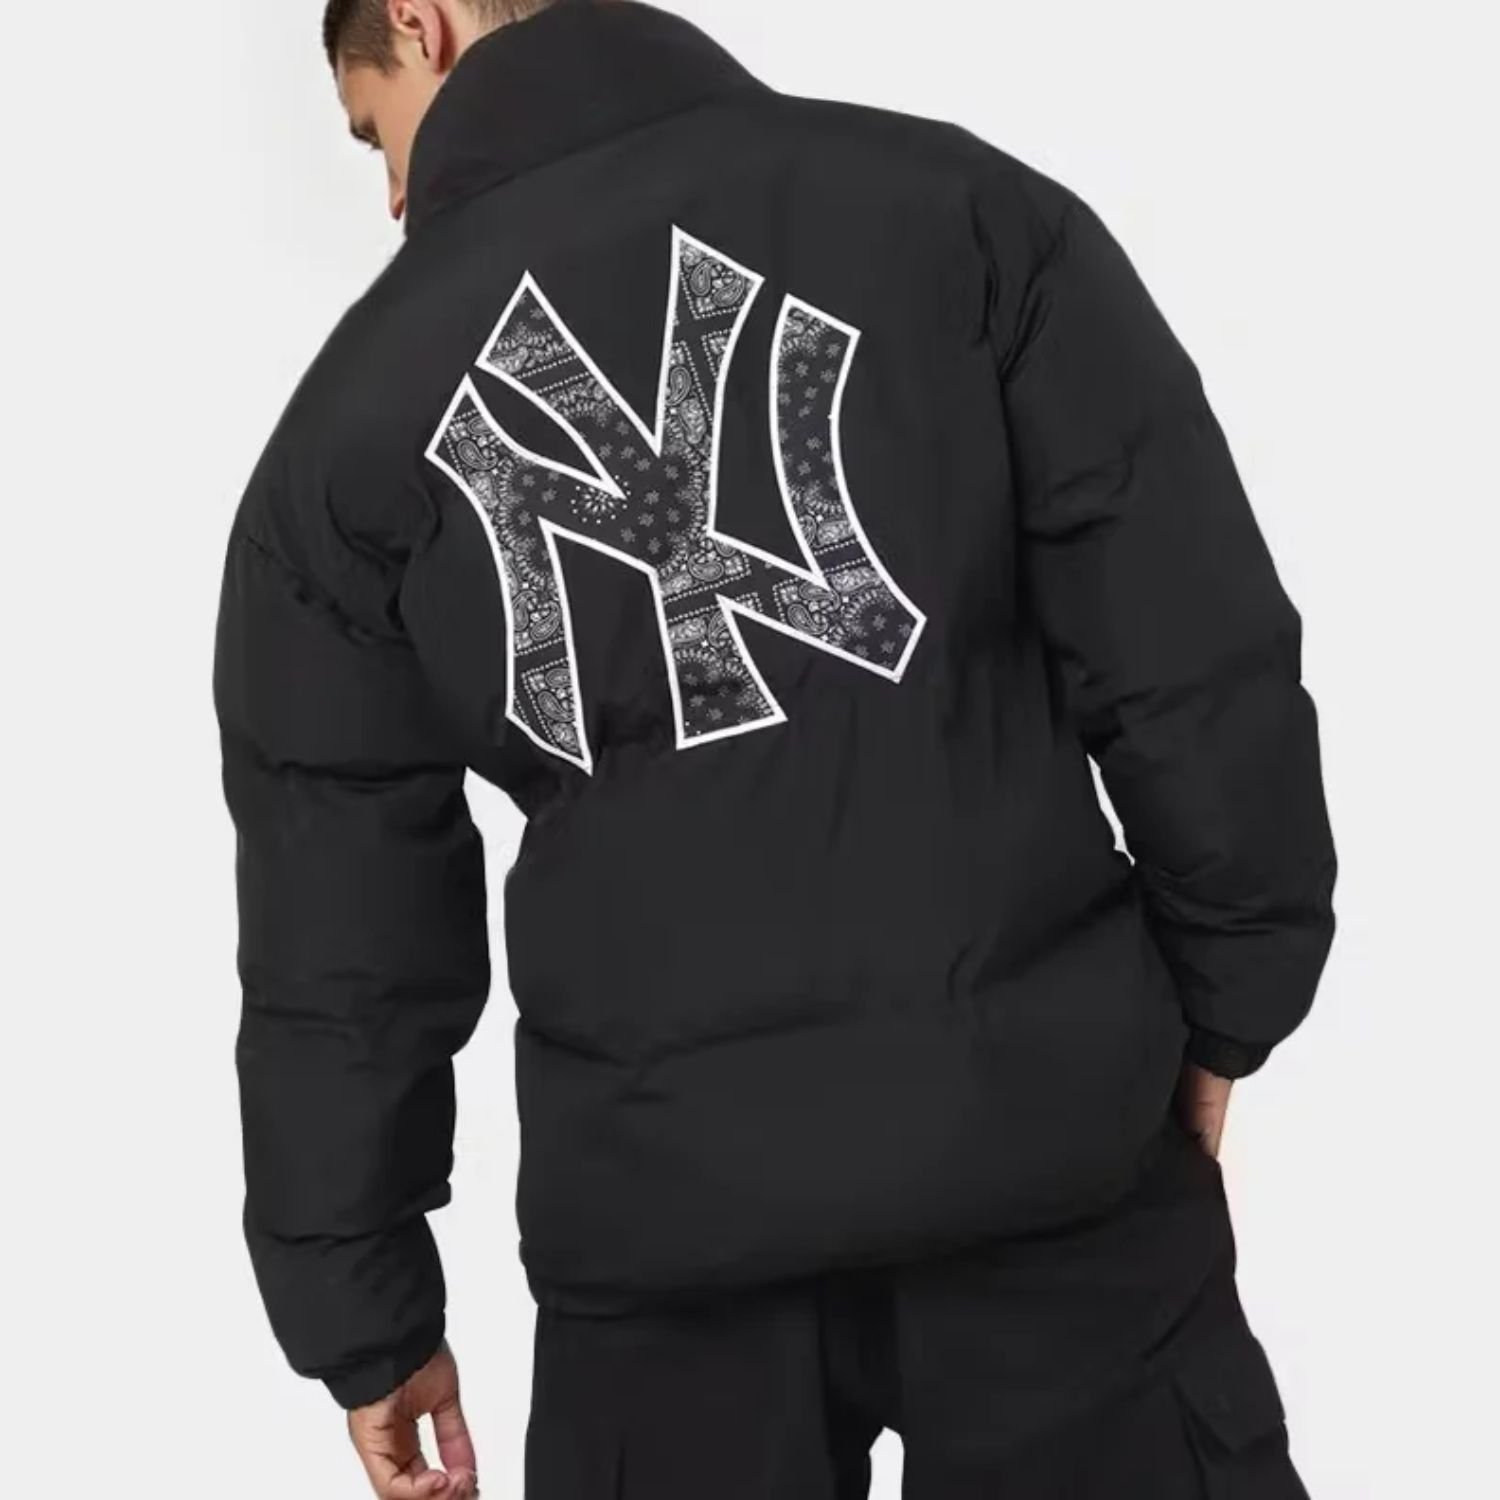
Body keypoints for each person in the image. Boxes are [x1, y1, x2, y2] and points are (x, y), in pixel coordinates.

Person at [212, 1, 1337, 1496]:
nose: (395, 194)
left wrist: (364, 1309)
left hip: (663, 1251)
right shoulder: (963, 215)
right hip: (1049, 1169)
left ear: (420, 23)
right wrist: (1228, 1004)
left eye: (375, 136)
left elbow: (338, 938)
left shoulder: (343, 434)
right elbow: (1196, 657)